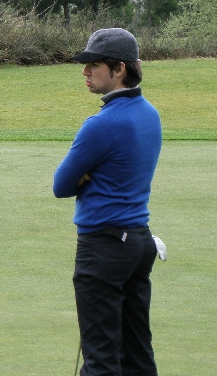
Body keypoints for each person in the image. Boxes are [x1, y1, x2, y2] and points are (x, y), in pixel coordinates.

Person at [53, 28, 163, 376]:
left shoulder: (101, 125)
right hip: (139, 243)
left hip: (104, 246)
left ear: (120, 69)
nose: (85, 72)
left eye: (94, 65)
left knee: (101, 359)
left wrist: (86, 175)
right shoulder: (149, 113)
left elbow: (61, 184)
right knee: (137, 354)